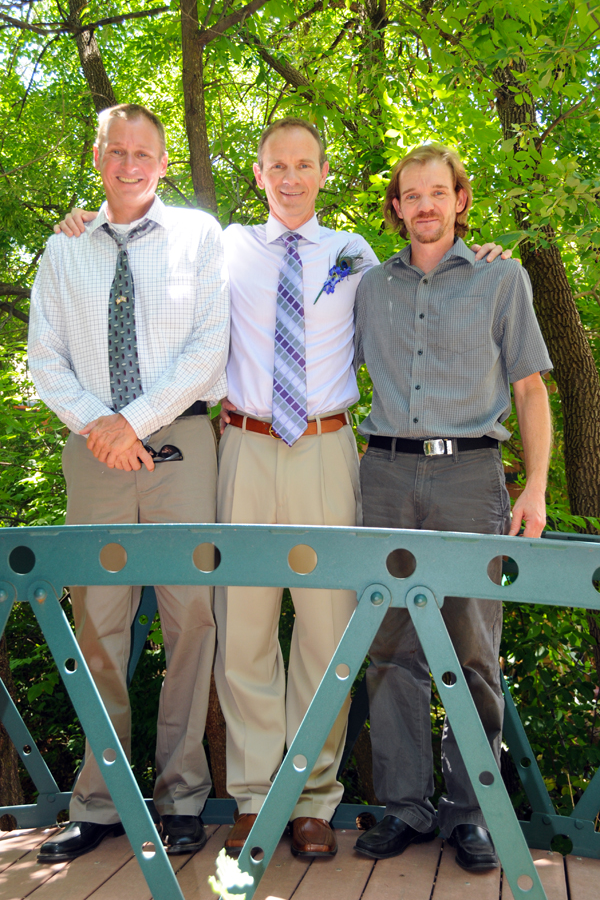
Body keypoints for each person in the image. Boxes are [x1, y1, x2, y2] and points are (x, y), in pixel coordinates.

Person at [53, 118, 507, 861]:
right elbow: (150, 248)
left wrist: (477, 253)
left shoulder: (357, 255)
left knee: (329, 630)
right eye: (277, 166)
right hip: (245, 445)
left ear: (323, 173)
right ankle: (260, 795)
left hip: (328, 448)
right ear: (259, 175)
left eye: (304, 165)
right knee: (245, 628)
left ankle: (315, 799)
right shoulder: (219, 247)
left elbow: (427, 283)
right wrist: (82, 223)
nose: (291, 177)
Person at [28, 103, 230, 863]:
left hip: (181, 442)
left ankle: (181, 795)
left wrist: (134, 420)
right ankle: (100, 800)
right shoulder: (64, 250)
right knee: (100, 627)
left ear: (165, 161)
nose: (131, 164)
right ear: (98, 155)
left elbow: (212, 345)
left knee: (193, 622)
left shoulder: (199, 237)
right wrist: (102, 426)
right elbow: (43, 357)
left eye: (145, 152)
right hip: (94, 451)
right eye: (118, 150)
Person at [353, 143, 552, 872]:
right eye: (413, 194)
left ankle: (472, 813)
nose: (427, 205)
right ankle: (404, 806)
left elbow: (531, 389)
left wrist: (533, 486)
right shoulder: (370, 287)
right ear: (397, 206)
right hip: (382, 474)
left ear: (460, 200)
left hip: (471, 476)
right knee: (390, 646)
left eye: (440, 191)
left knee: (472, 649)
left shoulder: (503, 279)